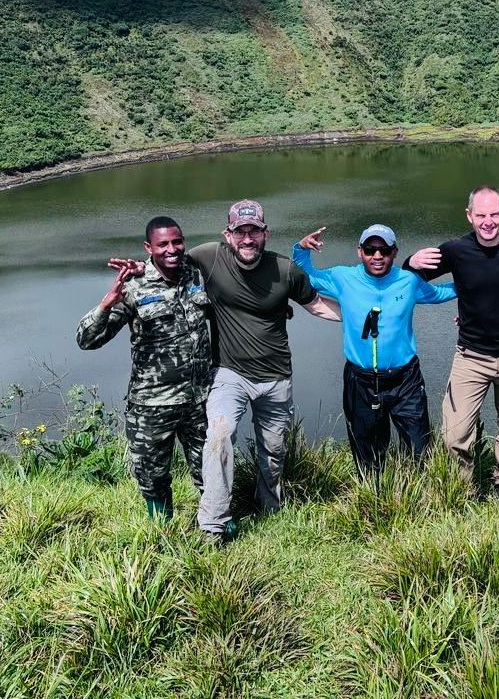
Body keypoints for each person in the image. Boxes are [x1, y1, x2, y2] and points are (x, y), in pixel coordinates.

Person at [183, 199, 339, 544]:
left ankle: (269, 508)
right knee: (219, 435)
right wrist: (137, 272)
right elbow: (167, 263)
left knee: (273, 451)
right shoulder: (208, 257)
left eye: (254, 231)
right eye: (240, 232)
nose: (247, 239)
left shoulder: (285, 270)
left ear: (265, 233)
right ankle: (213, 523)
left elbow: (317, 306)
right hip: (229, 373)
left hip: (276, 375)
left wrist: (367, 316)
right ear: (228, 234)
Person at [404, 186, 499, 502]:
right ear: (469, 215)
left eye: (494, 214)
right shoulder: (456, 250)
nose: (488, 222)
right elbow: (408, 278)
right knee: (454, 433)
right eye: (481, 215)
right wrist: (410, 261)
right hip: (471, 356)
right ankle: (463, 487)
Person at [291, 222, 457, 477]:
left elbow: (440, 293)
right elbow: (305, 275)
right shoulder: (343, 278)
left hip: (405, 380)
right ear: (360, 251)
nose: (377, 256)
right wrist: (301, 248)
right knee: (367, 451)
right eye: (370, 250)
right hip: (361, 380)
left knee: (419, 447)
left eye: (384, 250)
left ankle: (416, 494)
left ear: (395, 252)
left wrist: (474, 282)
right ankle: (373, 495)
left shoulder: (408, 281)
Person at [77, 216, 211, 520]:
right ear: (148, 247)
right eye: (163, 244)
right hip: (152, 404)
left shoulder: (196, 274)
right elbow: (87, 340)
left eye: (177, 242)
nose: (172, 249)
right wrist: (106, 304)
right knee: (152, 476)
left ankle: (216, 522)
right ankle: (161, 528)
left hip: (198, 399)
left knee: (210, 466)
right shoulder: (132, 286)